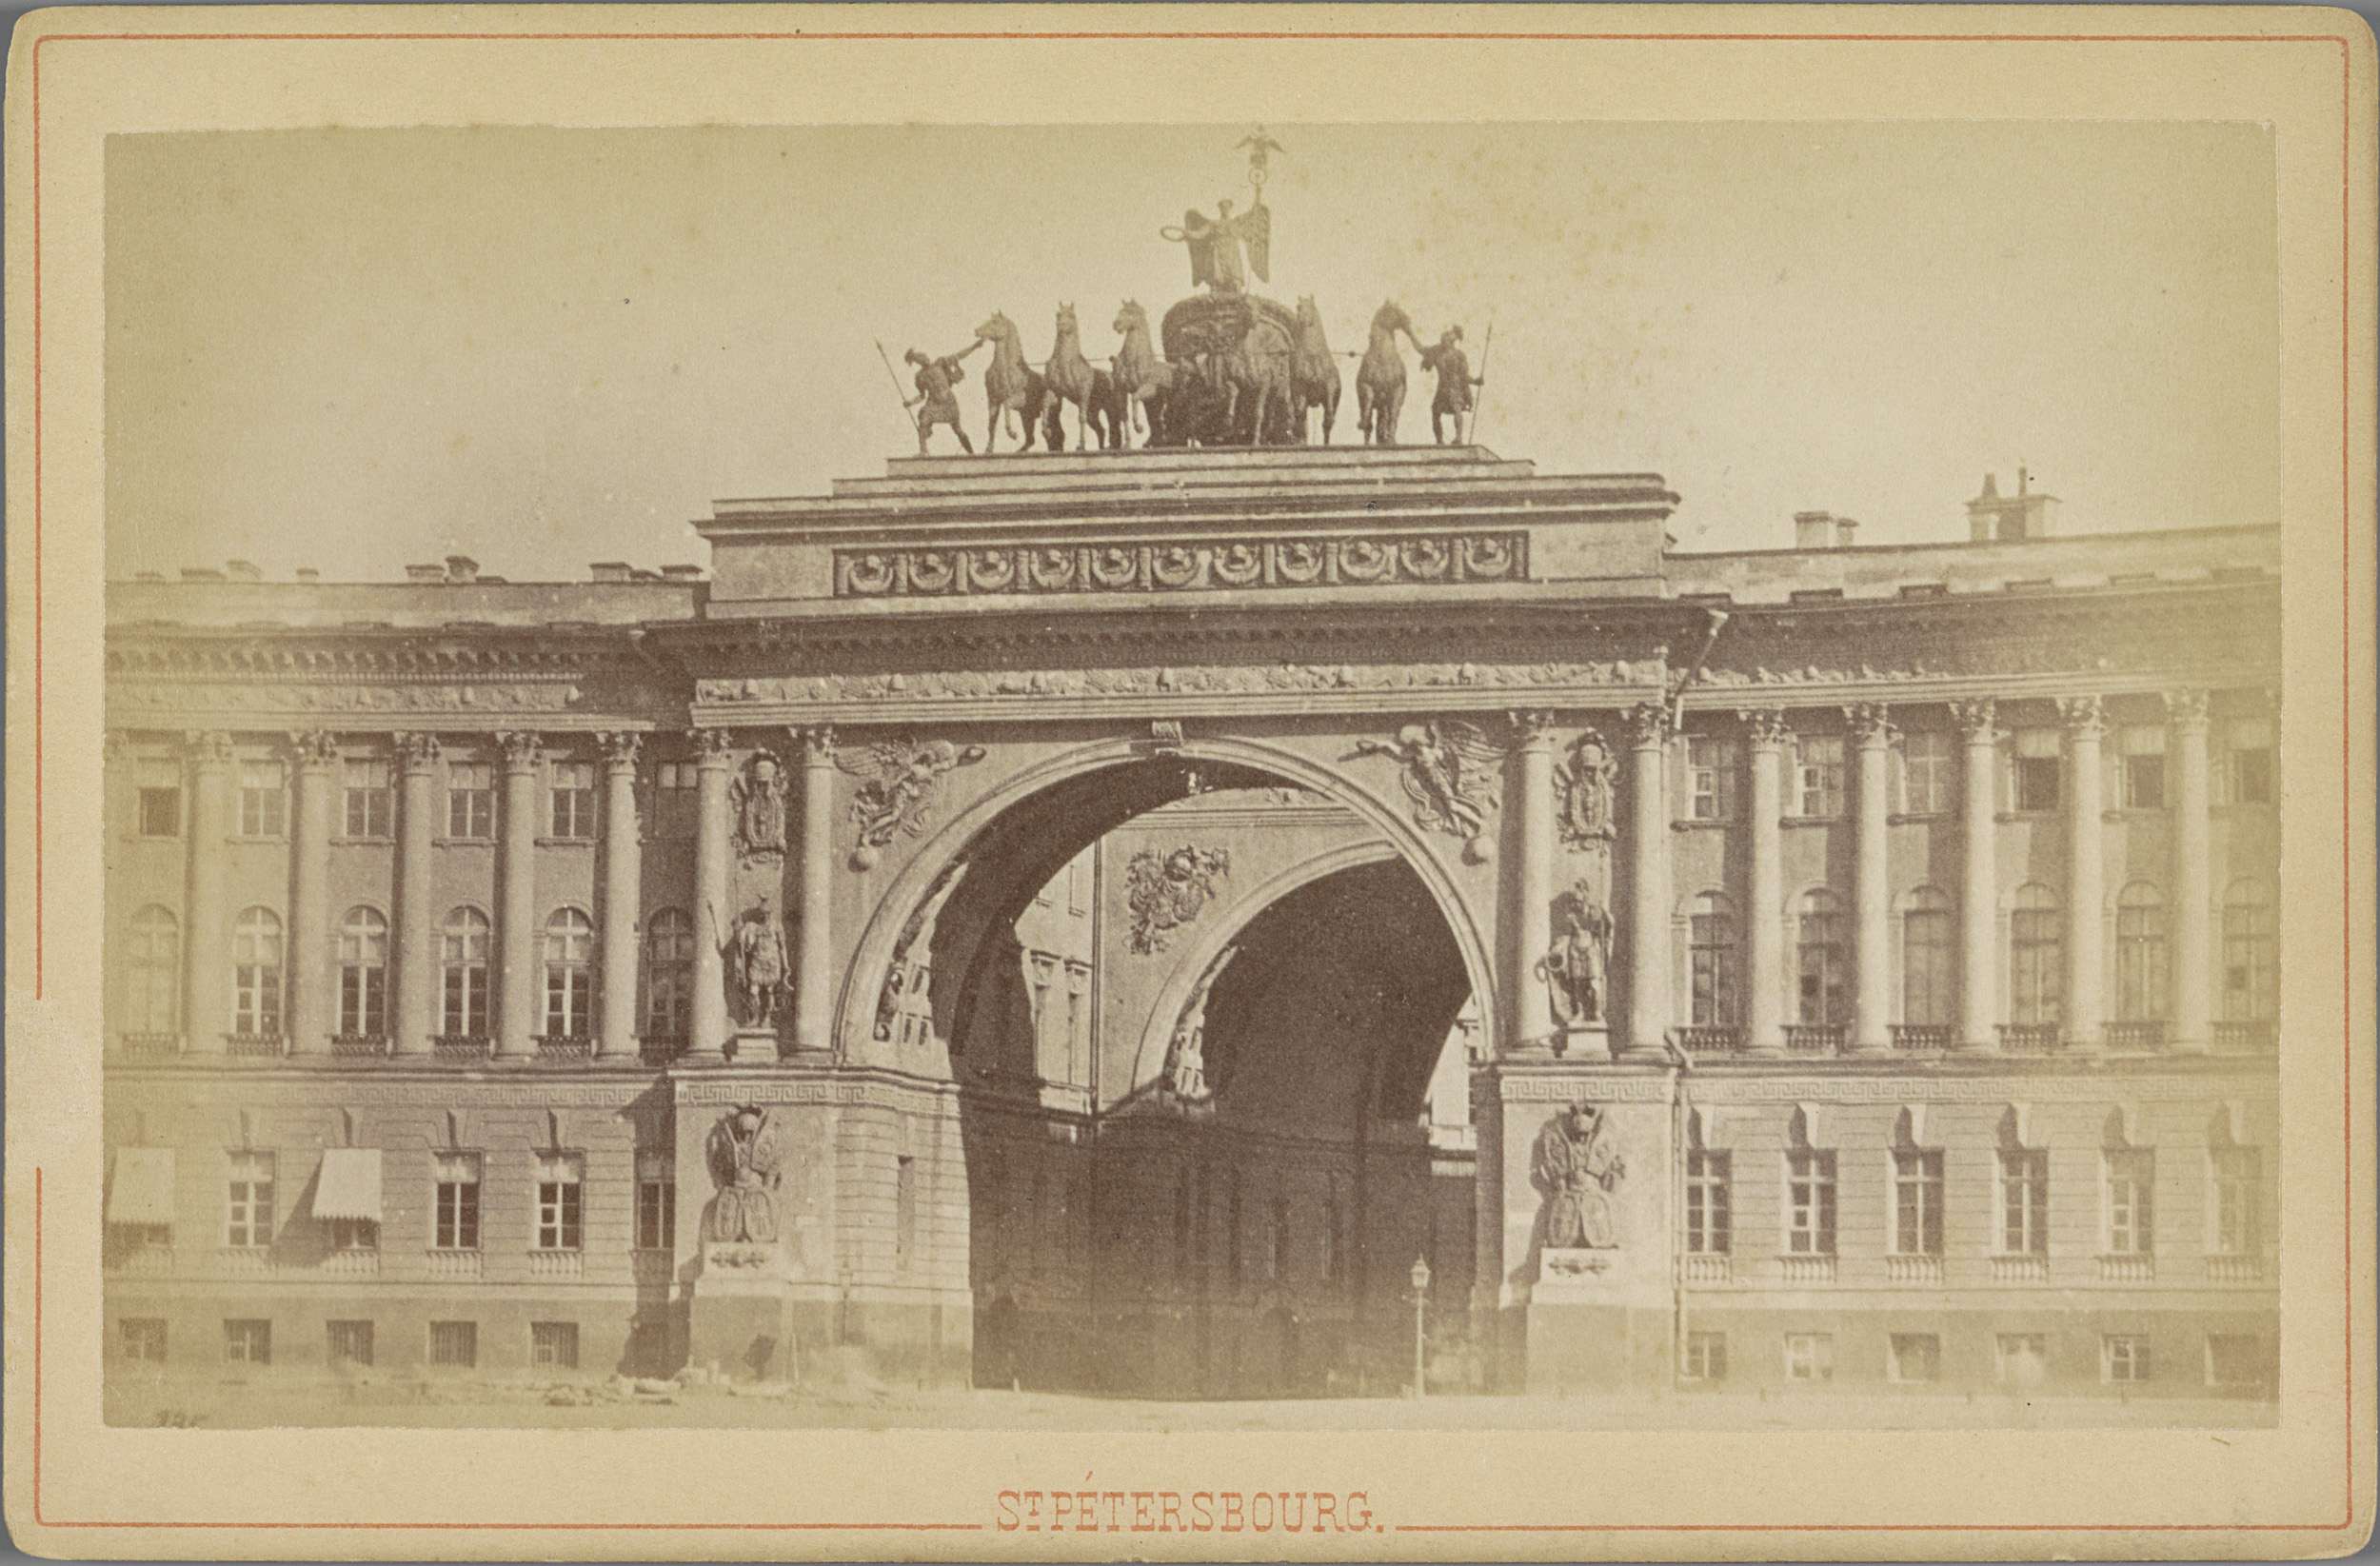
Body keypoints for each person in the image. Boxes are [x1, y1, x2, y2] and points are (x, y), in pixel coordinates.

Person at [1418, 326, 1485, 445]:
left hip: (1455, 386)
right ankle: (1439, 440)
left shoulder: (1459, 355)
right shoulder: (1437, 353)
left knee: (1456, 408)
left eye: (1447, 338)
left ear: (1452, 341)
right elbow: (1427, 360)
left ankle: (1458, 437)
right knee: (1435, 411)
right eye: (1443, 338)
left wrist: (1475, 381)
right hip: (1442, 386)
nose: (1444, 340)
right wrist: (1425, 364)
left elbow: (1464, 375)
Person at [904, 347, 976, 454]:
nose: (924, 359)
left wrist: (974, 347)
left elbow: (959, 356)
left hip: (949, 402)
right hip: (934, 404)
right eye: (920, 358)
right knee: (923, 419)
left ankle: (971, 453)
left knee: (957, 429)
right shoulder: (920, 376)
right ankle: (923, 451)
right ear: (918, 362)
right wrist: (910, 402)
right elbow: (922, 396)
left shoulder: (940, 363)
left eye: (924, 356)